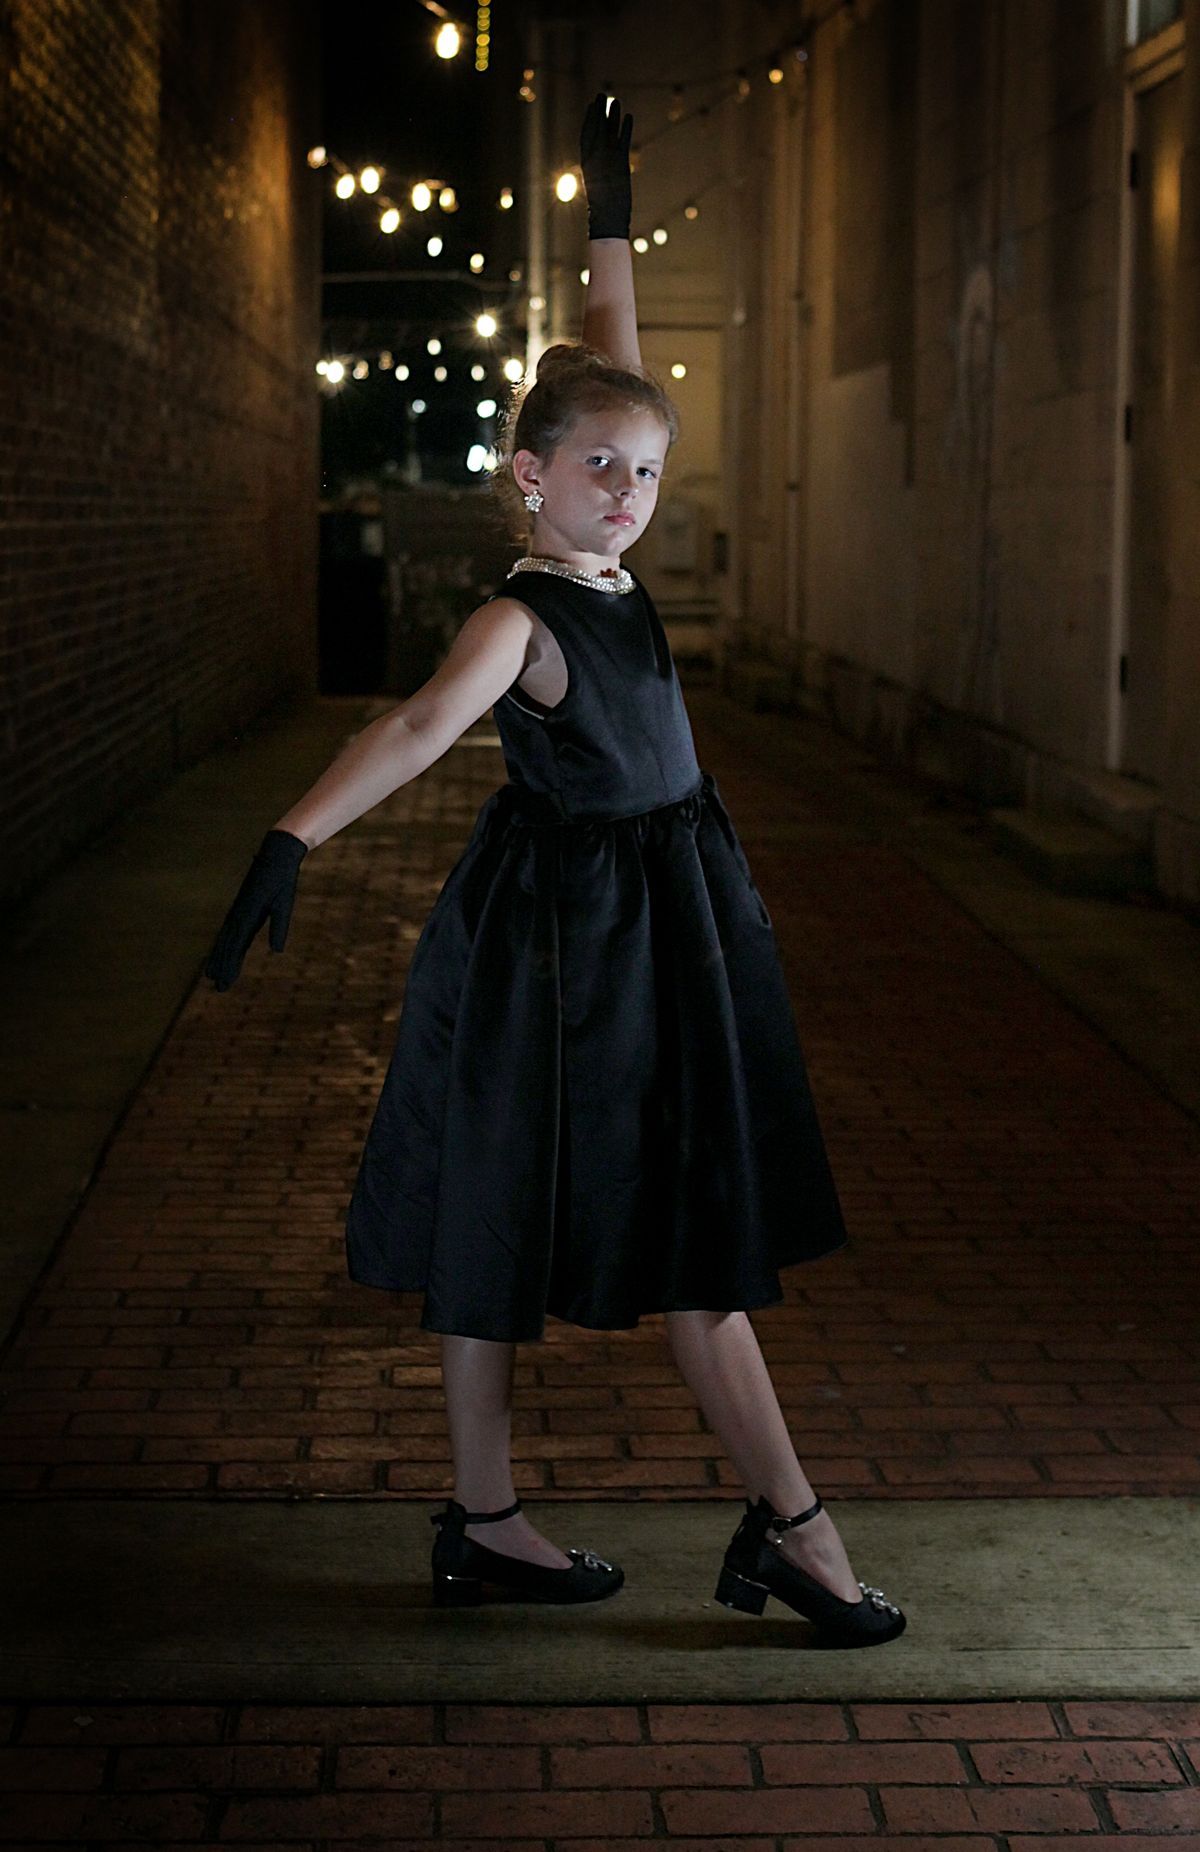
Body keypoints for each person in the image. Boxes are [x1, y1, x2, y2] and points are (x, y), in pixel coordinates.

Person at [204, 94, 905, 1647]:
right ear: (527, 477)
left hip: (660, 924)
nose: (629, 498)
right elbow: (412, 726)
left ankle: (515, 1524)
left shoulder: (605, 544)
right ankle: (751, 1531)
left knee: (644, 1216)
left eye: (646, 477)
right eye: (600, 472)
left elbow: (611, 357)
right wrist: (288, 838)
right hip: (560, 949)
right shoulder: (521, 618)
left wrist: (607, 206)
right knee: (529, 1210)